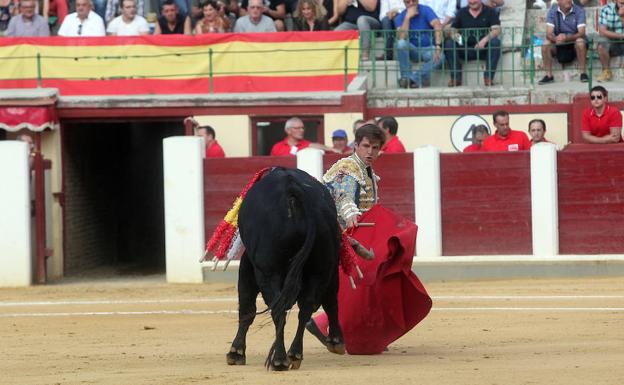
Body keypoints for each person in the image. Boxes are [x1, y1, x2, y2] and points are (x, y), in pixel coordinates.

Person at [444, 0, 500, 87]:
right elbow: (453, 29)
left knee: (495, 42)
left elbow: (496, 30)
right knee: (449, 43)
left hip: (483, 48)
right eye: (470, 1)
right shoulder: (461, 12)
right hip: (465, 47)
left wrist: (484, 41)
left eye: (474, 1)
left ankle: (488, 78)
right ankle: (456, 78)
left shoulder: (490, 11)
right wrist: (456, 36)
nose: (472, 2)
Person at [395, 0, 443, 89]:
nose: (411, 4)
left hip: (428, 49)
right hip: (413, 50)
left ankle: (410, 80)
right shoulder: (401, 17)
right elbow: (402, 37)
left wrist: (438, 45)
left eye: (413, 1)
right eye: (407, 2)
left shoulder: (426, 10)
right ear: (404, 3)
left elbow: (437, 25)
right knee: (401, 44)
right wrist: (407, 18)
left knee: (440, 57)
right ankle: (406, 76)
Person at [538, 0, 588, 85]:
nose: (569, 1)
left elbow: (581, 33)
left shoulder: (579, 10)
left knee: (580, 41)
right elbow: (549, 34)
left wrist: (566, 38)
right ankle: (548, 75)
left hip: (573, 43)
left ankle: (583, 73)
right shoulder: (552, 11)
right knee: (545, 44)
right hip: (559, 43)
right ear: (558, 1)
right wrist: (556, 39)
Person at [270, 117, 339, 156]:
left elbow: (314, 145)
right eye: (297, 128)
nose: (302, 130)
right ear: (288, 130)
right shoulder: (277, 147)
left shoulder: (307, 144)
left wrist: (330, 149)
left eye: (302, 128)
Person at [595, 0, 624, 82]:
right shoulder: (607, 9)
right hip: (613, 42)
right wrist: (621, 36)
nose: (622, 4)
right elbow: (602, 31)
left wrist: (622, 18)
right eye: (621, 3)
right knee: (601, 43)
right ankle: (606, 71)